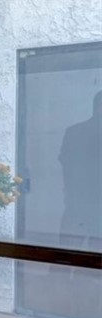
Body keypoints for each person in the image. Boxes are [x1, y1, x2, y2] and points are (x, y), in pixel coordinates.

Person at [59, 90, 102, 251]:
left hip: (76, 200)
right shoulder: (76, 132)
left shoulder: (74, 131)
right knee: (73, 248)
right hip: (80, 201)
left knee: (68, 251)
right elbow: (66, 163)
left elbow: (64, 162)